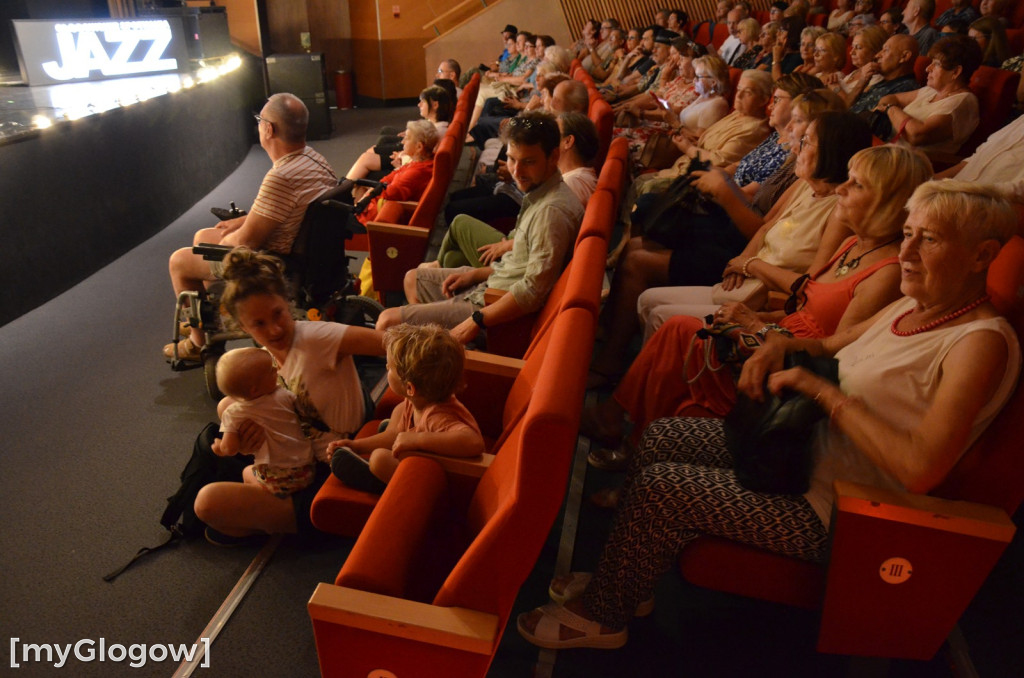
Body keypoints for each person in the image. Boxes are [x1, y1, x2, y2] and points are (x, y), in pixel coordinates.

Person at [516, 181, 1021, 650]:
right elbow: (826, 343)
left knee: (663, 488)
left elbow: (920, 468)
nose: (906, 253)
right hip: (798, 458)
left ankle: (607, 615)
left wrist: (822, 393)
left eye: (928, 240)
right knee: (665, 437)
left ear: (983, 255)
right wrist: (770, 343)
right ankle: (628, 578)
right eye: (907, 234)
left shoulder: (978, 343)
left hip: (837, 510)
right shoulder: (911, 305)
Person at [581, 145, 932, 469]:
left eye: (856, 185)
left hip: (782, 365)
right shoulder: (853, 244)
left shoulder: (886, 274)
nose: (841, 188)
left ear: (887, 200)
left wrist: (757, 327)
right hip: (772, 338)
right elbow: (805, 311)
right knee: (679, 330)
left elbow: (830, 354)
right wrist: (755, 318)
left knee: (680, 334)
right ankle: (626, 434)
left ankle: (627, 439)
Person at [589, 107, 863, 386]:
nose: (797, 147)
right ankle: (645, 386)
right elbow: (766, 226)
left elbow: (811, 287)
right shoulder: (805, 185)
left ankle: (645, 394)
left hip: (765, 294)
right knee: (647, 298)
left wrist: (750, 264)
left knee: (659, 312)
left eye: (806, 142)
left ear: (830, 151)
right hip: (745, 277)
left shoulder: (839, 211)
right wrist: (741, 261)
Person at [193, 248, 385, 541]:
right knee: (227, 406)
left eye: (278, 314)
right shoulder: (263, 359)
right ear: (242, 327)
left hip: (334, 462)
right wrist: (246, 443)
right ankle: (261, 509)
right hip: (300, 457)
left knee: (207, 503)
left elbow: (393, 343)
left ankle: (282, 522)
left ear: (288, 302)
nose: (274, 328)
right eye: (258, 324)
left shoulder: (317, 337)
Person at [377, 111, 584, 344]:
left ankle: (436, 346)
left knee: (387, 321)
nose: (516, 171)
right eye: (512, 159)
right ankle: (433, 344)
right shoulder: (539, 193)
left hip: (496, 308)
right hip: (492, 284)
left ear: (554, 156)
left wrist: (476, 320)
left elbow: (531, 293)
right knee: (412, 278)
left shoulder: (551, 213)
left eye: (528, 162)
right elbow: (519, 262)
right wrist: (476, 274)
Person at [165, 93, 337, 362]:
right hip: (305, 249)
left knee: (179, 260)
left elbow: (243, 244)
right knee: (204, 236)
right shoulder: (312, 158)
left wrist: (223, 242)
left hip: (277, 261)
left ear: (269, 129)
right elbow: (291, 206)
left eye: (260, 121)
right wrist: (244, 219)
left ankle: (199, 343)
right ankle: (214, 315)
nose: (259, 125)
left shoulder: (280, 177)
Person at [326, 324, 485, 494]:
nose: (386, 368)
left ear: (410, 388)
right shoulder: (413, 402)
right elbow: (393, 436)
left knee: (379, 459)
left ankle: (380, 482)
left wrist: (417, 439)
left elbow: (474, 442)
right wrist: (357, 446)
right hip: (424, 465)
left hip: (440, 486)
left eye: (390, 367)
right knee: (398, 415)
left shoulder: (437, 417)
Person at [207, 347, 315, 543]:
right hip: (307, 470)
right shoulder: (283, 395)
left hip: (281, 480)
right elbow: (302, 410)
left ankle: (260, 518)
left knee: (247, 471)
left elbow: (230, 449)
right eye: (271, 370)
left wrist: (218, 448)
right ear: (255, 389)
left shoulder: (235, 413)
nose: (276, 371)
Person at [875, 34, 982, 157]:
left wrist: (890, 109)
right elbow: (889, 98)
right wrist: (892, 108)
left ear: (956, 72)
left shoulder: (963, 102)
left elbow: (916, 135)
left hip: (910, 164)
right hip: (886, 149)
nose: (927, 69)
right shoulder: (931, 90)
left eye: (936, 64)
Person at [344, 85, 452, 182]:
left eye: (422, 101)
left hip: (407, 169)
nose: (419, 105)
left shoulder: (437, 132)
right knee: (368, 157)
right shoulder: (436, 127)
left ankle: (343, 190)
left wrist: (402, 157)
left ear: (435, 104)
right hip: (407, 162)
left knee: (366, 163)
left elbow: (424, 160)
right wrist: (403, 153)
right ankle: (345, 190)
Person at [846, 33, 920, 114]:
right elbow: (846, 106)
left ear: (904, 56)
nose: (877, 55)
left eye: (886, 50)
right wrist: (862, 81)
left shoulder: (906, 90)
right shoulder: (883, 81)